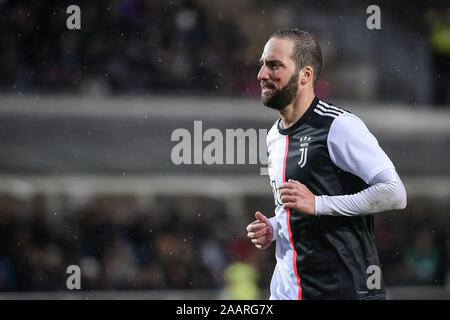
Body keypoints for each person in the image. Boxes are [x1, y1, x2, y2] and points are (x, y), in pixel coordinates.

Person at [246, 28, 407, 300]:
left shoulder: (338, 125)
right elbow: (298, 207)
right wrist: (275, 227)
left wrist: (319, 204)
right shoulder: (274, 136)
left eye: (275, 65)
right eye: (262, 64)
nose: (262, 74)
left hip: (344, 291)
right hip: (289, 292)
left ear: (305, 75)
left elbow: (394, 193)